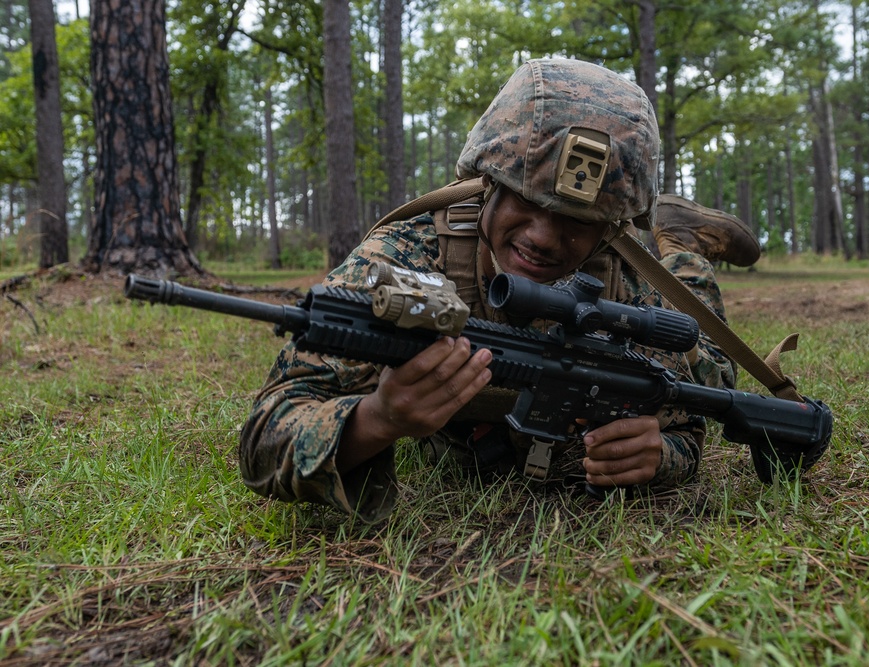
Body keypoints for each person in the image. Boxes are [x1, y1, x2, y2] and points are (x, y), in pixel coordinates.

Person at [238, 58, 761, 523]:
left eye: (575, 222)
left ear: (610, 231)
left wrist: (661, 455)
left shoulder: (621, 285)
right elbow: (265, 438)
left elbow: (689, 418)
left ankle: (681, 243)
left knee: (714, 363)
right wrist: (378, 419)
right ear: (486, 183)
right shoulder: (406, 261)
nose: (542, 238)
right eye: (525, 203)